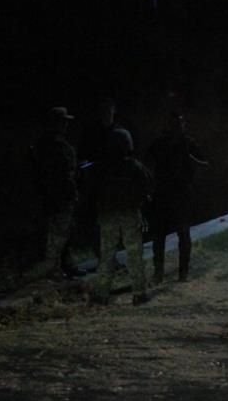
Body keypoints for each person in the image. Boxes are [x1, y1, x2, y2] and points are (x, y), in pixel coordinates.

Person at [91, 128, 153, 305]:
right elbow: (147, 188)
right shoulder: (133, 166)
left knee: (107, 255)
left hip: (108, 215)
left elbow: (94, 192)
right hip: (129, 214)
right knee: (134, 254)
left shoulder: (102, 167)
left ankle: (102, 294)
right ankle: (139, 293)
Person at [145, 112, 208, 283]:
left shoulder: (188, 143)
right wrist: (150, 188)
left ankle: (183, 272)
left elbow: (204, 165)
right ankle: (159, 273)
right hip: (163, 194)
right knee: (159, 236)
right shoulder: (160, 143)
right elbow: (147, 164)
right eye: (174, 124)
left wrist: (191, 160)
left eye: (179, 124)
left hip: (181, 194)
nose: (176, 127)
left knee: (182, 233)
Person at [32, 106, 80, 279]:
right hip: (55, 195)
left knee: (66, 231)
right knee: (55, 234)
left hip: (64, 194)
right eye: (63, 122)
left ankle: (65, 264)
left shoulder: (57, 144)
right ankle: (54, 269)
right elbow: (49, 173)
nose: (66, 125)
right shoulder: (48, 145)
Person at [76, 97, 124, 260]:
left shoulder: (119, 132)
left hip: (115, 184)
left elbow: (127, 157)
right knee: (98, 223)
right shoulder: (91, 133)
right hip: (96, 185)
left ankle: (113, 256)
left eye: (109, 110)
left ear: (113, 111)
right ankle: (103, 257)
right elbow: (82, 157)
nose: (106, 113)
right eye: (103, 110)